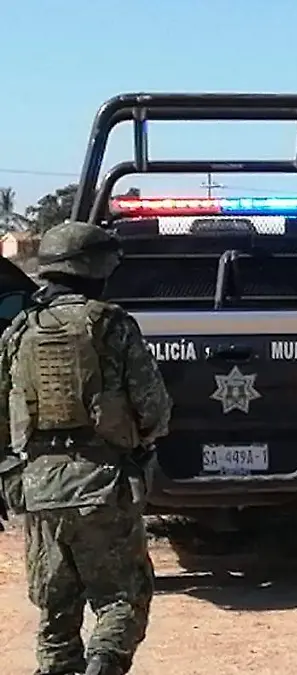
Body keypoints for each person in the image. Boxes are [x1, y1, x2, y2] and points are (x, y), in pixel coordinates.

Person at [0, 221, 172, 675]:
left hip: (39, 488)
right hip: (103, 484)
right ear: (95, 269)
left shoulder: (20, 330)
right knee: (121, 599)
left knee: (56, 606)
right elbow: (152, 406)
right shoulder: (112, 325)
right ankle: (103, 665)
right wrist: (144, 443)